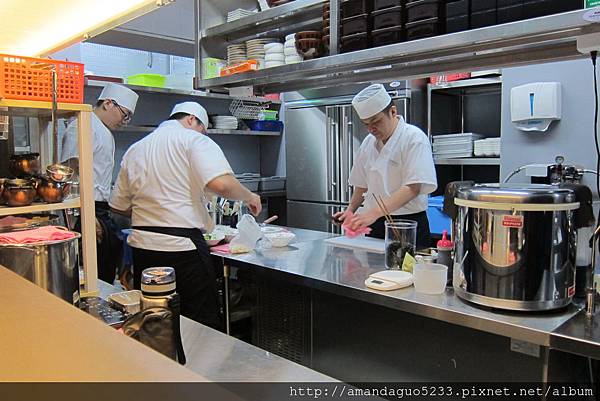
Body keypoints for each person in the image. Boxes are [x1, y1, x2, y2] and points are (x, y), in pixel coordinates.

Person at [109, 101, 262, 328]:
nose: (204, 133)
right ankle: (197, 365)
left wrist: (154, 212)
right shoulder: (193, 139)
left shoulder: (135, 149)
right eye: (204, 128)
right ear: (192, 119)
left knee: (155, 323)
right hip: (182, 251)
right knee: (199, 324)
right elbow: (221, 184)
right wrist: (249, 196)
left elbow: (117, 205)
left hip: (143, 250)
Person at [334, 84, 437, 248]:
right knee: (376, 272)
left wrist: (371, 214)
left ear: (393, 112)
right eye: (366, 124)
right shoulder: (368, 143)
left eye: (376, 121)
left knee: (409, 272)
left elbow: (413, 187)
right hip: (376, 224)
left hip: (408, 223)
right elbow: (361, 184)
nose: (371, 129)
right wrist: (350, 210)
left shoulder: (414, 138)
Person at [60, 83, 139, 283]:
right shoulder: (82, 125)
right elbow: (70, 174)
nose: (125, 121)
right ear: (108, 103)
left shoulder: (102, 129)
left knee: (105, 268)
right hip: (86, 209)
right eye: (124, 114)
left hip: (99, 209)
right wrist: (87, 214)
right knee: (91, 274)